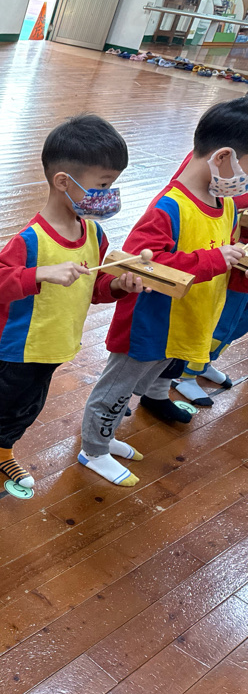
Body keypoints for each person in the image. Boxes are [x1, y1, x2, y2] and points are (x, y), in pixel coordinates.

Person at [0, 115, 143, 501]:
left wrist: (118, 285)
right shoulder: (30, 240)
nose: (108, 194)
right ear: (63, 182)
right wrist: (39, 273)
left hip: (55, 348)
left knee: (26, 409)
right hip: (16, 351)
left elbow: (95, 288)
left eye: (112, 185)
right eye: (102, 185)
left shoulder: (94, 233)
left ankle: (3, 453)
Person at [79, 98, 248, 486]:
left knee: (134, 388)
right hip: (148, 325)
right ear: (224, 157)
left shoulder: (224, 204)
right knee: (116, 392)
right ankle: (93, 449)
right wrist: (213, 260)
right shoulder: (169, 208)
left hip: (182, 323)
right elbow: (138, 265)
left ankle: (103, 438)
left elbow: (217, 255)